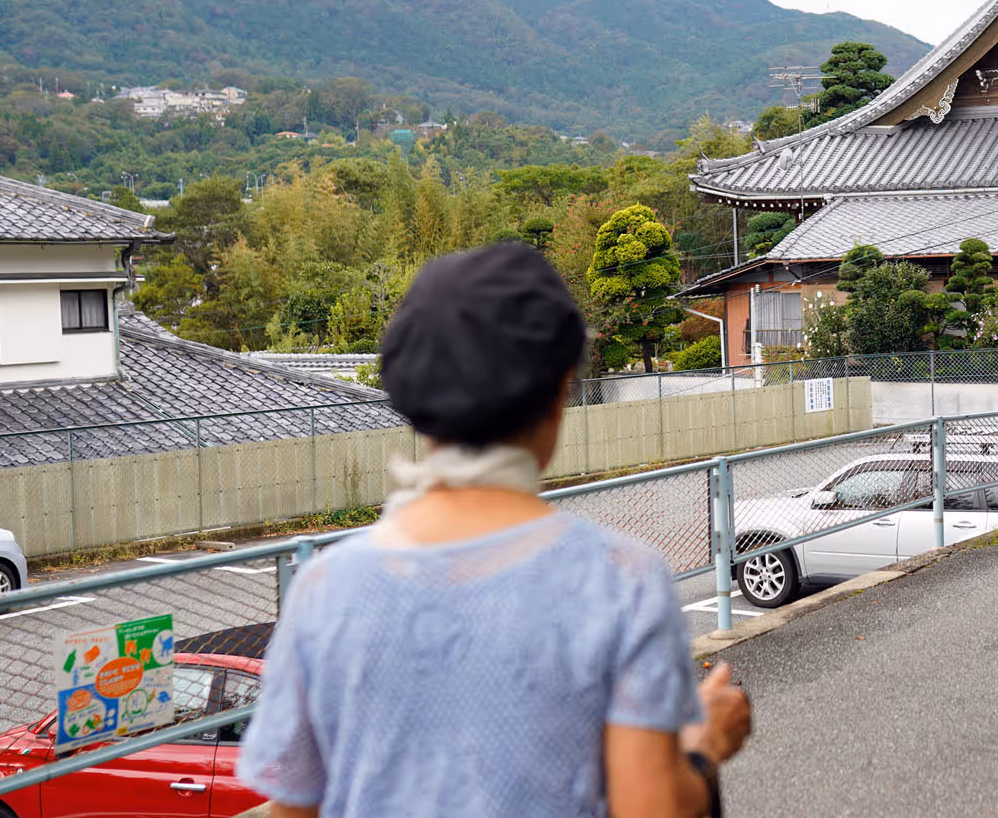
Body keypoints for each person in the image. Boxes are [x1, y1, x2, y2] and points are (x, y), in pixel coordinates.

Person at [239, 241, 751, 817]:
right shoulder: (620, 580)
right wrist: (703, 746)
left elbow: (294, 807)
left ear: (410, 395)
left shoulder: (323, 588)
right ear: (561, 392)